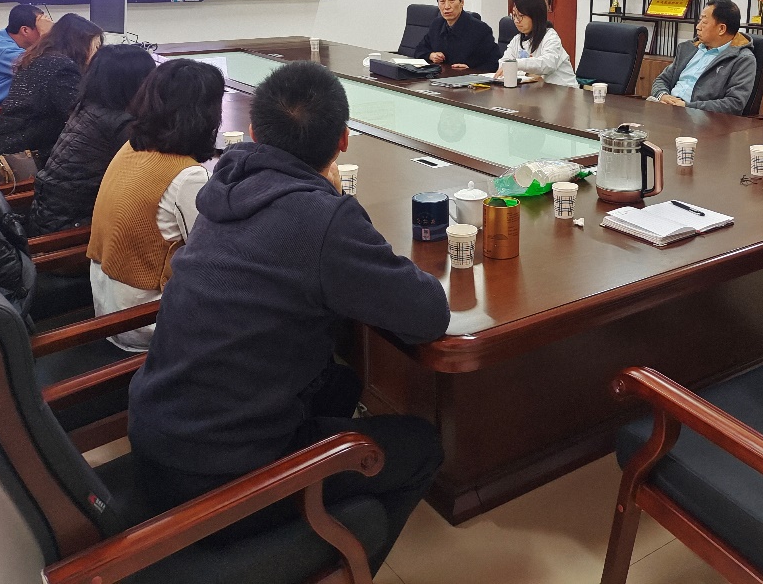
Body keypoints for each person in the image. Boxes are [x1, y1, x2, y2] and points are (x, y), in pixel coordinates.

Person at [127, 60, 449, 572]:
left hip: (157, 436)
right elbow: (429, 313)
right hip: (222, 478)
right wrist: (337, 209)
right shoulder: (322, 218)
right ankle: (342, 567)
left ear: (254, 134)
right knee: (422, 447)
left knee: (342, 382)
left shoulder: (223, 188)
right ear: (343, 140)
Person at [87, 58, 223, 352]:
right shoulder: (187, 176)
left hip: (107, 307)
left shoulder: (131, 147)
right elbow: (214, 256)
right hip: (145, 321)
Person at [28, 44, 157, 236]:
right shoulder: (118, 123)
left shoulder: (88, 107)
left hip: (48, 213)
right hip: (73, 224)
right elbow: (152, 171)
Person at [0, 13, 104, 164]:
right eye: (96, 46)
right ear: (79, 45)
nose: (98, 53)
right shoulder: (61, 66)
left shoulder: (40, 57)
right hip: (28, 154)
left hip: (11, 142)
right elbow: (78, 114)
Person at [648, 0, 757, 114]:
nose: (698, 27)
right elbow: (662, 80)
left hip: (702, 119)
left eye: (704, 22)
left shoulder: (742, 59)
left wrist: (687, 106)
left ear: (721, 29)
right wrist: (663, 95)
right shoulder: (689, 48)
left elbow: (734, 104)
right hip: (667, 109)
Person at [494, 0, 578, 87]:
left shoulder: (550, 37)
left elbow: (548, 64)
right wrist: (527, 73)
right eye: (514, 15)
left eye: (521, 16)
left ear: (535, 16)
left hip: (563, 91)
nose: (516, 21)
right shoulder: (517, 40)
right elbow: (503, 64)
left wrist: (516, 64)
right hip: (536, 91)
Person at [413, 0, 499, 72]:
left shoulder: (480, 29)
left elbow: (494, 63)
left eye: (451, 0)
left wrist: (470, 68)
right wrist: (430, 55)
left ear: (462, 2)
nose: (447, 6)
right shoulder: (437, 25)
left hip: (466, 78)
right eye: (442, 1)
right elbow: (419, 50)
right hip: (440, 77)